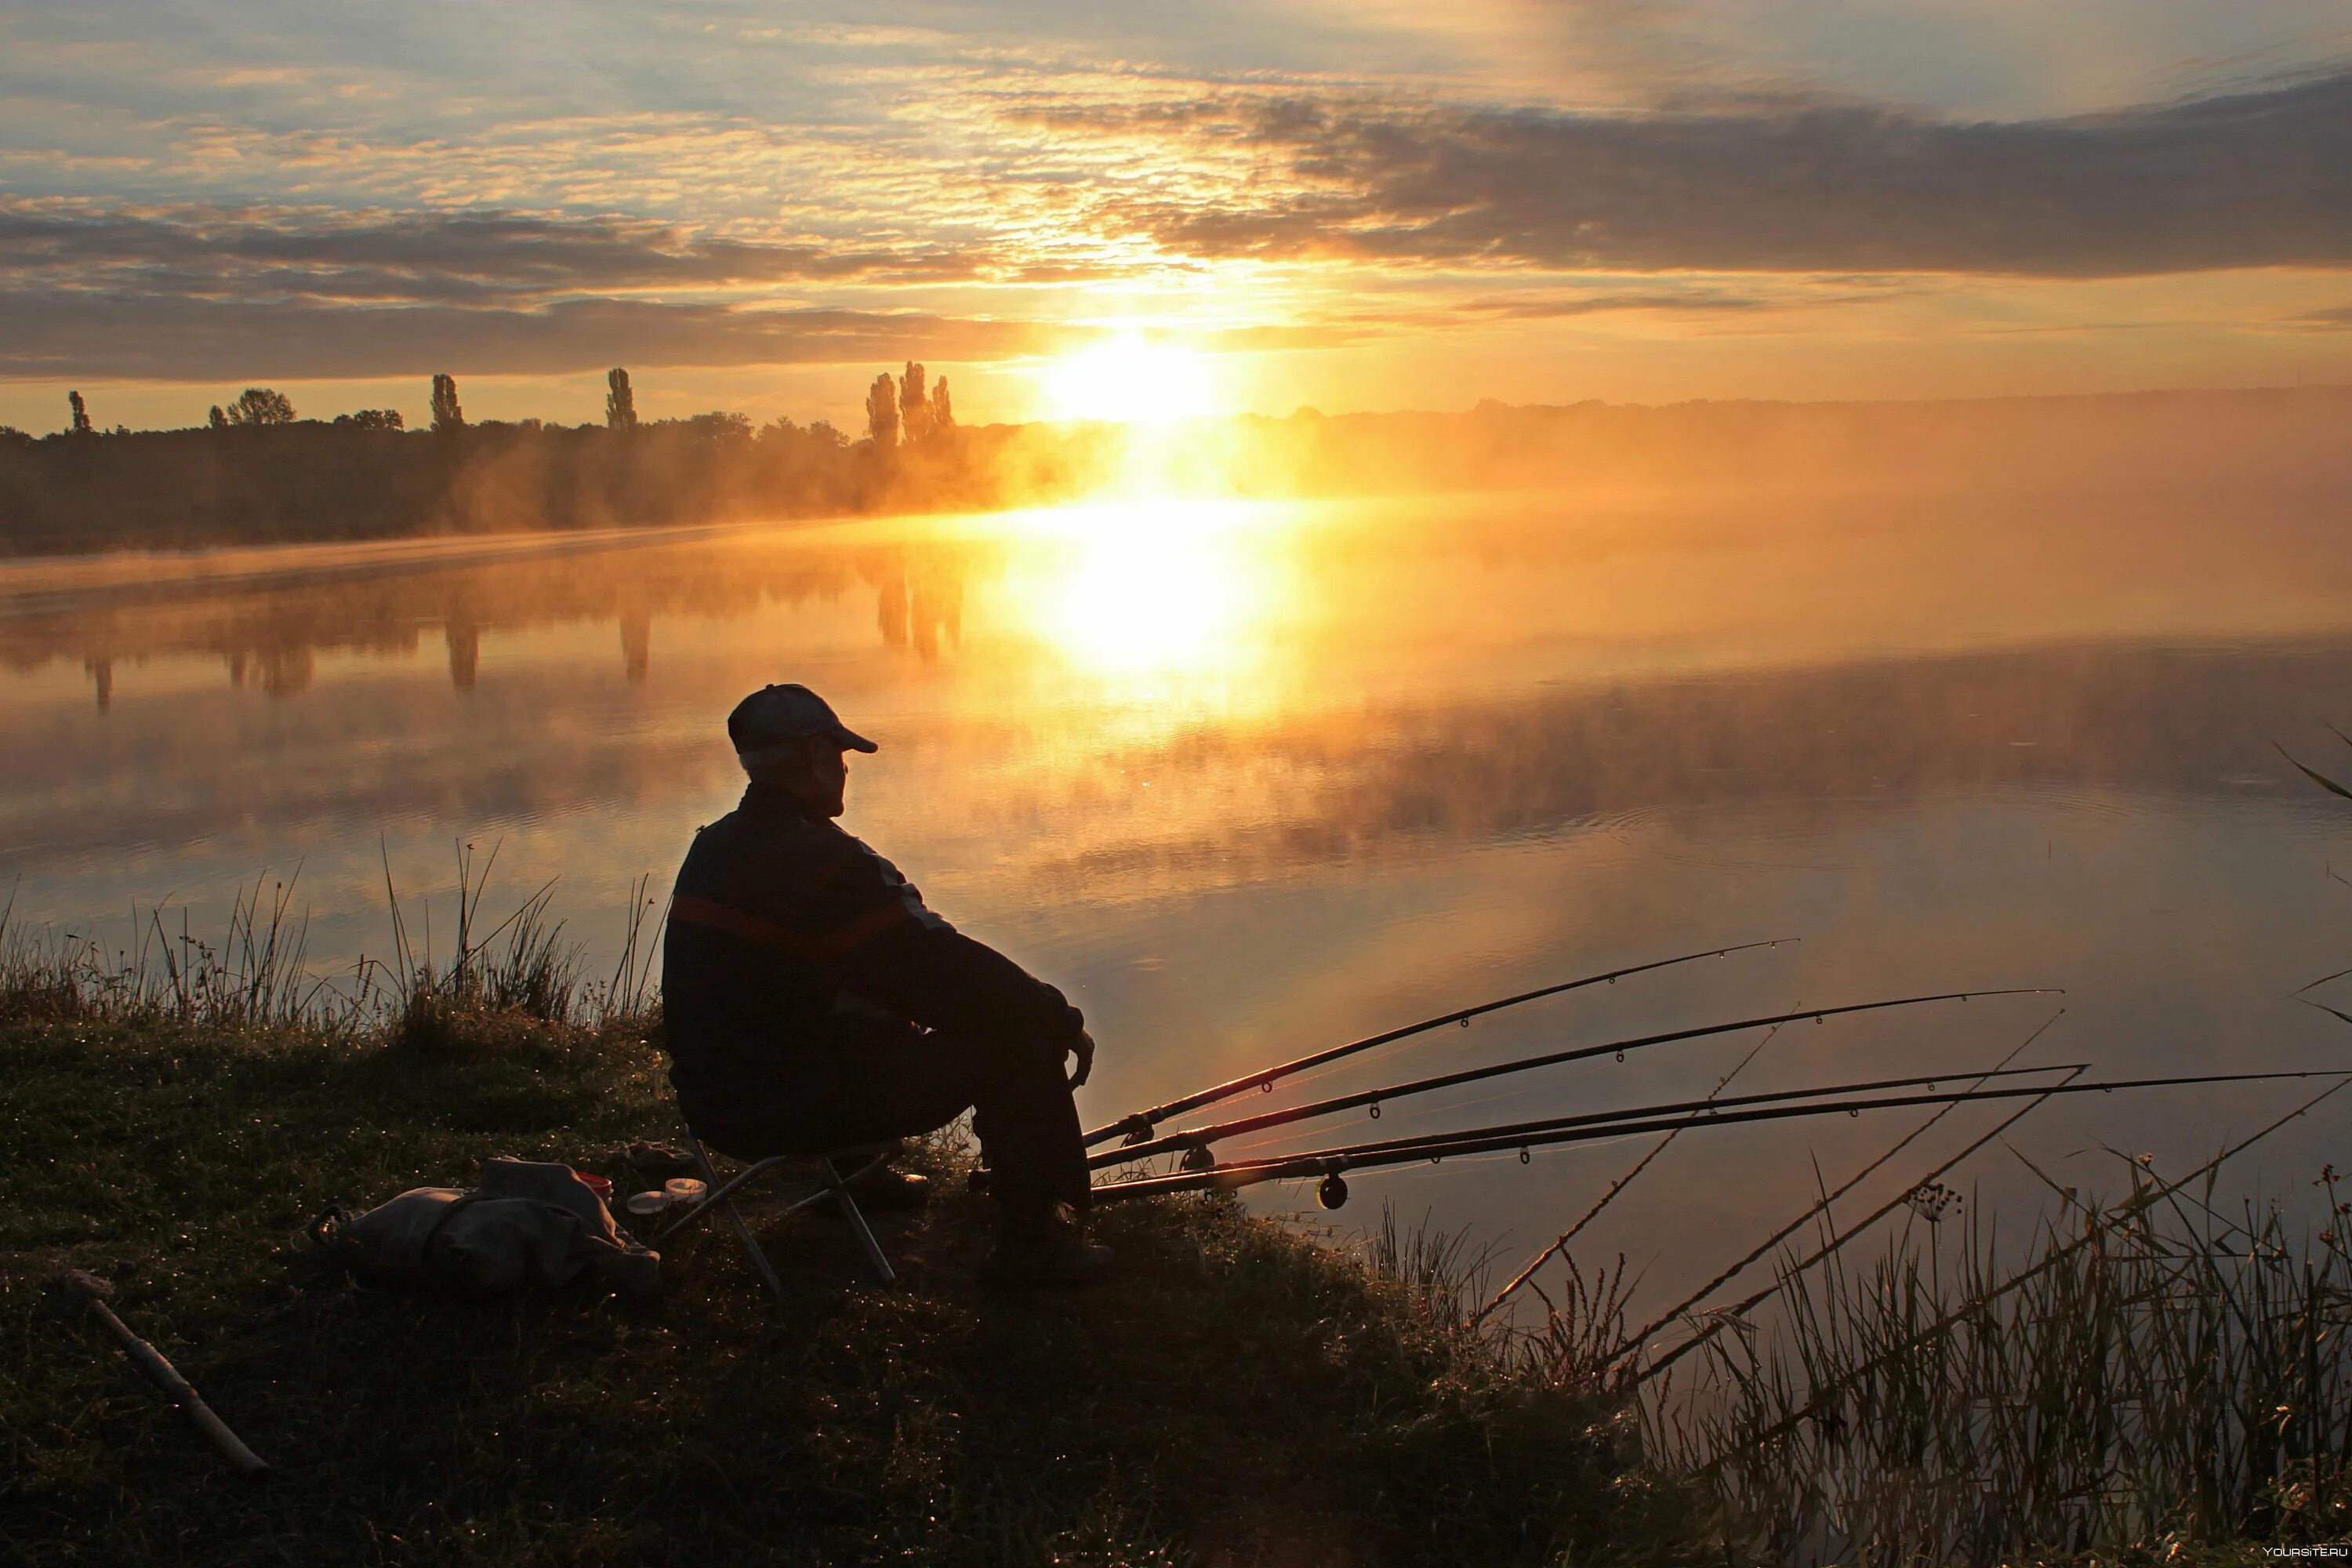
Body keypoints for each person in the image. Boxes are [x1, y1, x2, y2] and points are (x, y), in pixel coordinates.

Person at [662, 682, 1111, 1286]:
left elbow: (887, 968)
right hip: (785, 1110)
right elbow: (941, 969)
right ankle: (1035, 1247)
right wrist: (1055, 1014)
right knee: (1018, 1039)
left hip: (713, 1102)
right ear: (817, 758)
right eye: (841, 758)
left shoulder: (712, 846)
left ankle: (860, 1175)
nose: (845, 772)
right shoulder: (829, 863)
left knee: (852, 991)